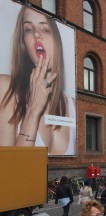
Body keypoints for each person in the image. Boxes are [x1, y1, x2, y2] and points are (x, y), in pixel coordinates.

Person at [0, 7, 75, 155]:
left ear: (57, 41)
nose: (36, 34)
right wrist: (33, 110)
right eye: (28, 29)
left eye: (45, 29)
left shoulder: (73, 105)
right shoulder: (6, 88)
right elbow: (11, 171)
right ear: (23, 44)